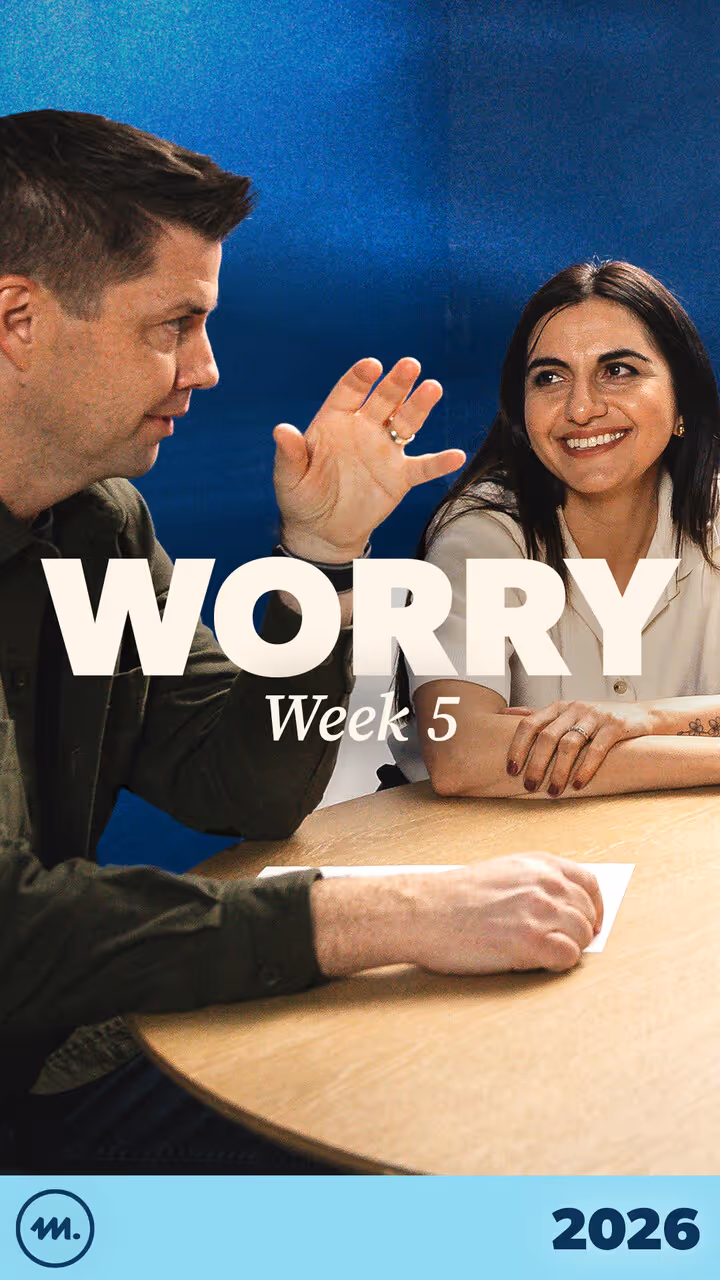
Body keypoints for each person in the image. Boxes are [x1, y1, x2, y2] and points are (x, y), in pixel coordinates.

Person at [0, 111, 601, 1174]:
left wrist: (321, 557)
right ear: (18, 319)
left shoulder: (100, 523)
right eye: (172, 324)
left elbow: (244, 785)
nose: (208, 367)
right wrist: (391, 912)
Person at [392, 260, 720, 800]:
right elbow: (462, 754)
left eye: (619, 370)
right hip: (487, 857)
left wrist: (645, 718)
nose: (582, 407)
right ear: (522, 414)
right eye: (550, 377)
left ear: (682, 398)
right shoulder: (480, 537)